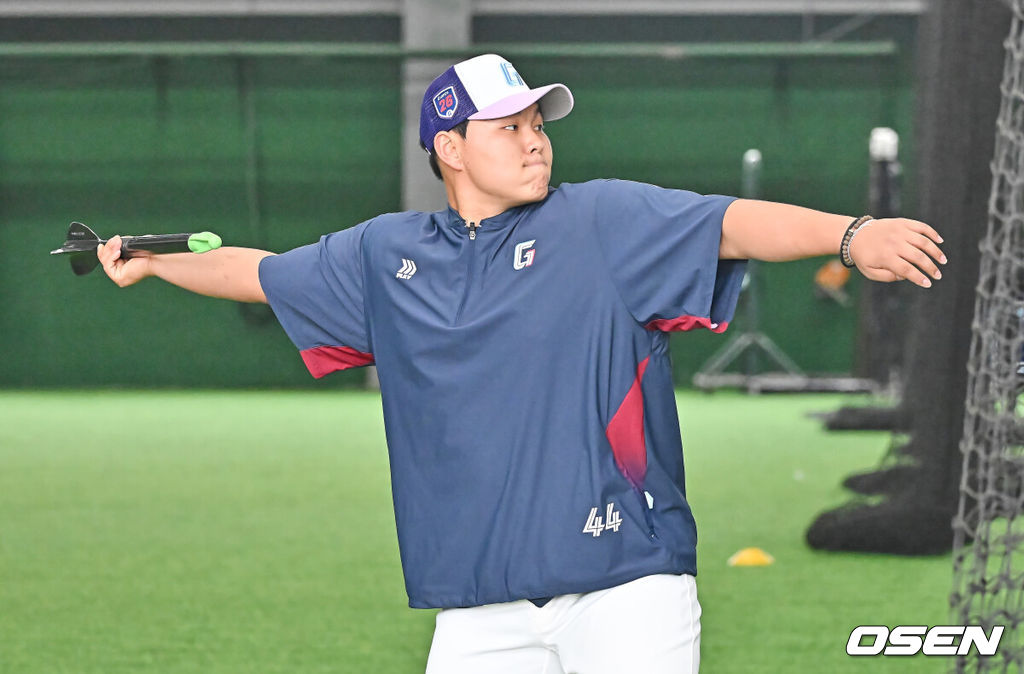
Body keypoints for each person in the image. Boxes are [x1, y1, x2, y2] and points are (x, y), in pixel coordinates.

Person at [96, 54, 946, 673]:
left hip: (627, 592)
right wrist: (157, 260)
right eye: (510, 127)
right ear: (452, 149)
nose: (536, 141)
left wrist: (851, 234)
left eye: (538, 124)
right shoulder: (386, 253)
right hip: (478, 613)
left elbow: (731, 222)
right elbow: (259, 271)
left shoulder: (604, 221)